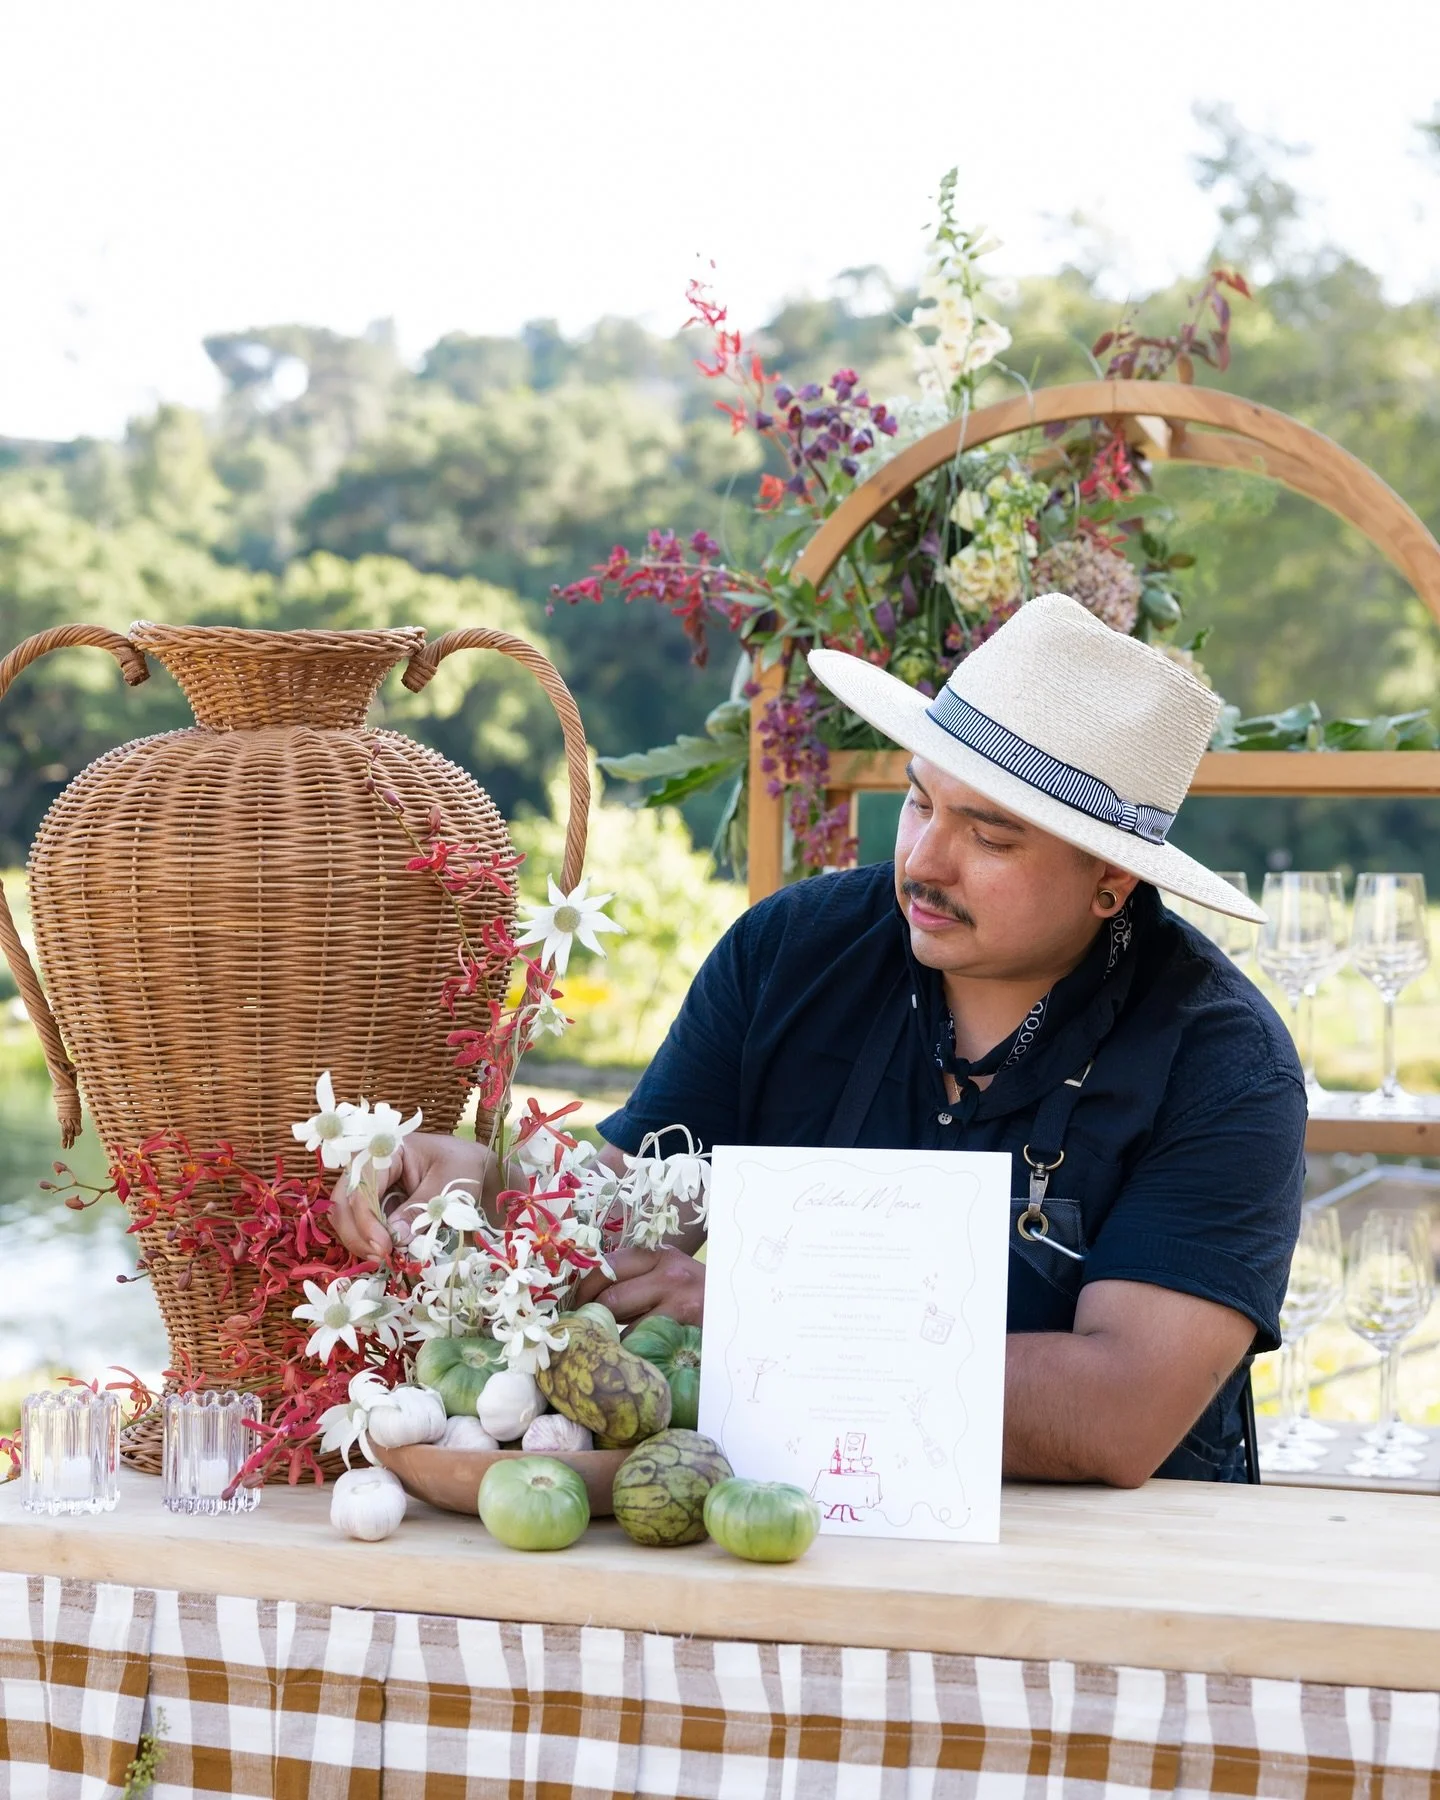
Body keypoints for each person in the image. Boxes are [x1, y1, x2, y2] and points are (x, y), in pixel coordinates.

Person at [331, 594, 1305, 1487]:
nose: (923, 859)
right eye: (921, 800)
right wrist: (482, 1181)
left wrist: (763, 1329)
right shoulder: (792, 952)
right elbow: (635, 1212)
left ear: (1112, 881)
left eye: (992, 836)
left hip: (1115, 1583)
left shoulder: (1222, 1065)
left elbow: (1117, 1415)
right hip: (794, 1523)